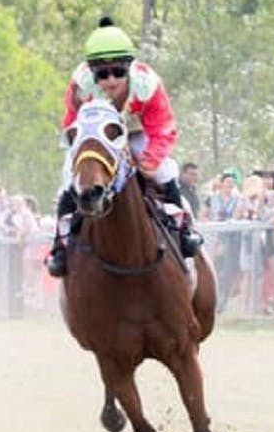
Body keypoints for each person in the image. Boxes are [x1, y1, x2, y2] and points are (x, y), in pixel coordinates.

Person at [44, 16, 201, 277]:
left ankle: (185, 230)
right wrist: (78, 154)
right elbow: (72, 122)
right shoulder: (80, 84)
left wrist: (150, 159)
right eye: (102, 74)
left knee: (165, 170)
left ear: (129, 68)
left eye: (118, 72)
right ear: (91, 72)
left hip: (136, 133)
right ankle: (59, 247)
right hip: (95, 138)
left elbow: (163, 127)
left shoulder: (147, 83)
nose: (111, 80)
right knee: (69, 180)